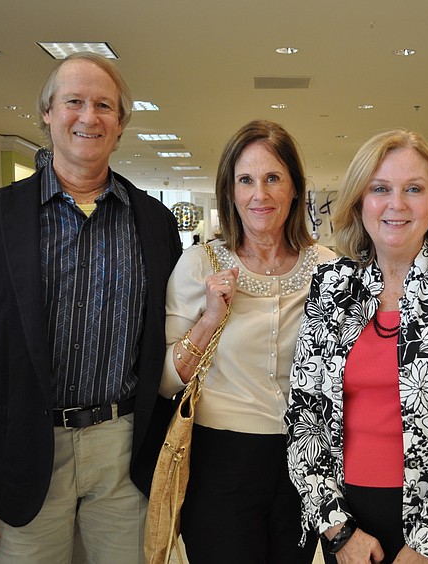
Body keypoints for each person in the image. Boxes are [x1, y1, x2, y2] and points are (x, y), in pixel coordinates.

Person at [0, 52, 182, 562]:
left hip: (125, 452)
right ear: (47, 112)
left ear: (120, 123)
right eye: (74, 102)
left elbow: (169, 342)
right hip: (22, 450)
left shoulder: (155, 224)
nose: (89, 117)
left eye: (104, 106)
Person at [286, 130, 428, 564]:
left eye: (413, 189)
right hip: (353, 519)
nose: (397, 204)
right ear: (359, 201)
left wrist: (427, 543)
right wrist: (337, 527)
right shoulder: (333, 285)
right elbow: (304, 414)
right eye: (380, 189)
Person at [158, 119, 334, 564]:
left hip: (305, 459)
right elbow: (165, 381)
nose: (261, 194)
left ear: (295, 188)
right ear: (230, 192)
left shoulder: (329, 269)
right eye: (246, 180)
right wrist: (210, 320)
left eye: (274, 178)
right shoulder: (200, 264)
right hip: (222, 459)